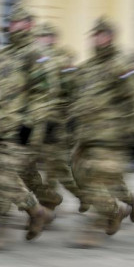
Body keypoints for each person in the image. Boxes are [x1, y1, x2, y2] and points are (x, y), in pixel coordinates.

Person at [0, 4, 55, 252]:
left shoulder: (35, 54)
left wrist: (29, 124)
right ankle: (36, 210)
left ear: (28, 24)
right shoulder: (4, 54)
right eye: (10, 22)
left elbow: (43, 94)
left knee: (2, 177)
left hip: (20, 130)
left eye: (16, 22)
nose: (11, 26)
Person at [68, 17, 134, 248]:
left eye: (101, 34)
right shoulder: (88, 67)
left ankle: (98, 222)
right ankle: (125, 203)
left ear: (110, 37)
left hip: (110, 135)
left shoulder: (121, 65)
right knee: (79, 177)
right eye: (95, 34)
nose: (97, 38)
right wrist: (71, 119)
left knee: (96, 181)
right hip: (85, 134)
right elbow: (78, 97)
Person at [33, 22, 86, 212]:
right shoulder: (35, 60)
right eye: (37, 37)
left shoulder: (63, 59)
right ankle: (50, 201)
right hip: (38, 121)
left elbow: (72, 91)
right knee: (42, 166)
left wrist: (67, 119)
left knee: (55, 166)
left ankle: (79, 197)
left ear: (52, 39)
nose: (39, 41)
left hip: (57, 123)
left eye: (43, 36)